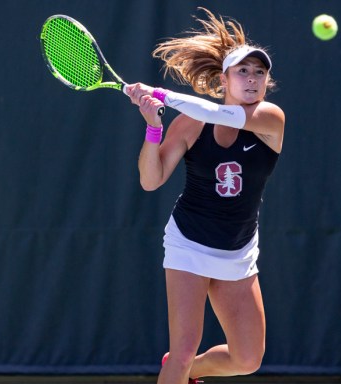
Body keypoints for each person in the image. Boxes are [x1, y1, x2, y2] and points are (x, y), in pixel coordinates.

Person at [125, 8, 284, 384]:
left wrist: (160, 93)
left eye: (259, 72)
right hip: (189, 243)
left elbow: (222, 113)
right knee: (181, 350)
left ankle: (187, 370)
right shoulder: (191, 122)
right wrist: (152, 128)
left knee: (246, 359)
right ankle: (179, 367)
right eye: (242, 71)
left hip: (238, 250)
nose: (252, 79)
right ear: (224, 78)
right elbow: (151, 180)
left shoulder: (270, 118)